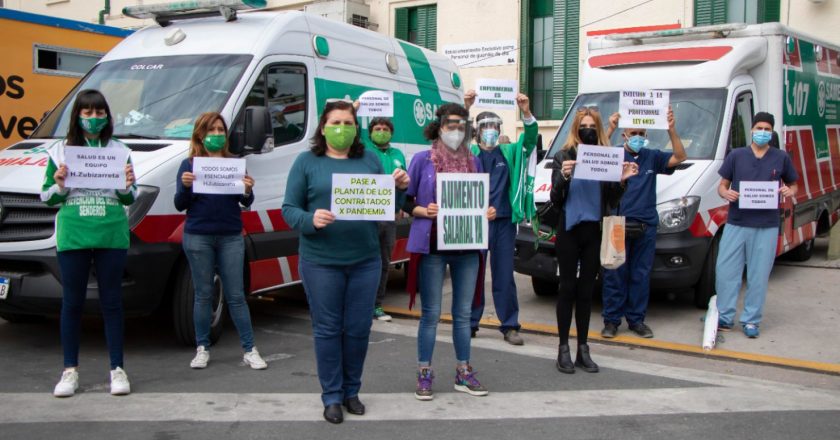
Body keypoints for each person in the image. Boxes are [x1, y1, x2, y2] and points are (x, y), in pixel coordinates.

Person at [282, 100, 409, 424]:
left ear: (357, 129)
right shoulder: (306, 162)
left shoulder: (369, 160)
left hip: (365, 260)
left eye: (348, 123)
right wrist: (311, 219)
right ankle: (332, 396)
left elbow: (387, 209)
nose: (342, 129)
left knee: (357, 329)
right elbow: (289, 209)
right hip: (321, 261)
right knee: (327, 330)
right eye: (336, 123)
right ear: (323, 128)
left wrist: (399, 190)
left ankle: (352, 391)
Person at [41, 89, 136, 397]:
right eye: (87, 113)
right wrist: (59, 183)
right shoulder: (60, 151)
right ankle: (70, 371)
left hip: (111, 234)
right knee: (73, 303)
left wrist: (127, 184)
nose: (94, 118)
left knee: (111, 302)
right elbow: (46, 197)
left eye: (99, 113)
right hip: (74, 234)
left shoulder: (119, 149)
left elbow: (129, 197)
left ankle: (117, 370)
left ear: (107, 116)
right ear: (77, 116)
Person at [403, 103, 495, 401]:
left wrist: (488, 212)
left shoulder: (475, 161)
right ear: (439, 126)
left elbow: (480, 201)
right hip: (432, 246)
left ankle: (463, 372)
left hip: (467, 246)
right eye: (450, 124)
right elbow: (405, 203)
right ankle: (424, 372)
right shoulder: (421, 160)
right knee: (430, 314)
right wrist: (423, 211)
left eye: (461, 125)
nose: (456, 130)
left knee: (463, 313)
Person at [174, 112, 267, 371]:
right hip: (198, 236)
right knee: (203, 294)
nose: (216, 135)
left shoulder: (234, 163)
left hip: (230, 236)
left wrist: (248, 189)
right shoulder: (189, 165)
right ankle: (202, 348)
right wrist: (185, 186)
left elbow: (246, 202)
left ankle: (250, 349)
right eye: (211, 130)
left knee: (236, 295)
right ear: (200, 135)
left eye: (220, 130)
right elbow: (180, 204)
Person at [550, 107, 637, 373]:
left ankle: (583, 349)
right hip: (569, 230)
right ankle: (563, 348)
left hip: (593, 231)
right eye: (583, 125)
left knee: (586, 292)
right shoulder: (563, 155)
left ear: (597, 128)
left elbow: (610, 200)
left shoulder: (605, 157)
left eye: (591, 125)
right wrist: (563, 177)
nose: (587, 129)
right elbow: (555, 199)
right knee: (567, 288)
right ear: (576, 128)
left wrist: (622, 182)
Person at [601, 106, 686, 339]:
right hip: (617, 224)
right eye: (633, 133)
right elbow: (593, 155)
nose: (638, 137)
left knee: (640, 274)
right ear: (624, 135)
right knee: (614, 273)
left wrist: (671, 129)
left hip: (645, 225)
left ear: (646, 136)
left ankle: (636, 320)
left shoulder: (653, 156)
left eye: (641, 133)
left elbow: (680, 156)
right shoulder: (614, 154)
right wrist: (609, 128)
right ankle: (611, 321)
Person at [463, 89, 538, 345]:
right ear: (477, 130)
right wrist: (465, 105)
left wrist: (525, 112)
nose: (491, 130)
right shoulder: (469, 153)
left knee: (504, 275)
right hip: (476, 222)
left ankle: (509, 325)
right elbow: (453, 137)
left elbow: (529, 140)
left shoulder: (508, 152)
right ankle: (471, 322)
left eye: (495, 126)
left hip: (505, 223)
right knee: (473, 273)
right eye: (486, 126)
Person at [715, 112, 798, 338]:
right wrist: (726, 193)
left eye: (767, 129)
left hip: (766, 225)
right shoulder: (736, 156)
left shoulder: (780, 157)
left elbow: (794, 184)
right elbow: (722, 186)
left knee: (758, 275)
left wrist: (790, 191)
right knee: (725, 271)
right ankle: (724, 316)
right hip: (737, 222)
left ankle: (751, 320)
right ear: (752, 129)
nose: (763, 132)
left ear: (772, 132)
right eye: (759, 128)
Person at [364, 117, 406, 322]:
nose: (381, 131)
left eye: (385, 129)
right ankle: (361, 305)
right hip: (365, 215)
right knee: (363, 260)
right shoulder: (363, 151)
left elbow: (404, 184)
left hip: (389, 216)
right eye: (377, 128)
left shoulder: (397, 154)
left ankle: (377, 305)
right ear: (370, 132)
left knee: (383, 261)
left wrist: (399, 206)